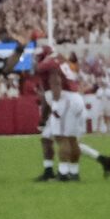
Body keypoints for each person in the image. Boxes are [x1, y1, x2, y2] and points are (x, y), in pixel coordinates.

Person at [31, 47, 89, 182]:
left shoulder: (50, 65)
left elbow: (56, 81)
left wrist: (56, 105)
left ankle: (63, 173)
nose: (35, 61)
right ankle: (74, 172)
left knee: (62, 138)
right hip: (75, 98)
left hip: (64, 99)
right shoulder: (59, 59)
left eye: (37, 58)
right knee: (72, 139)